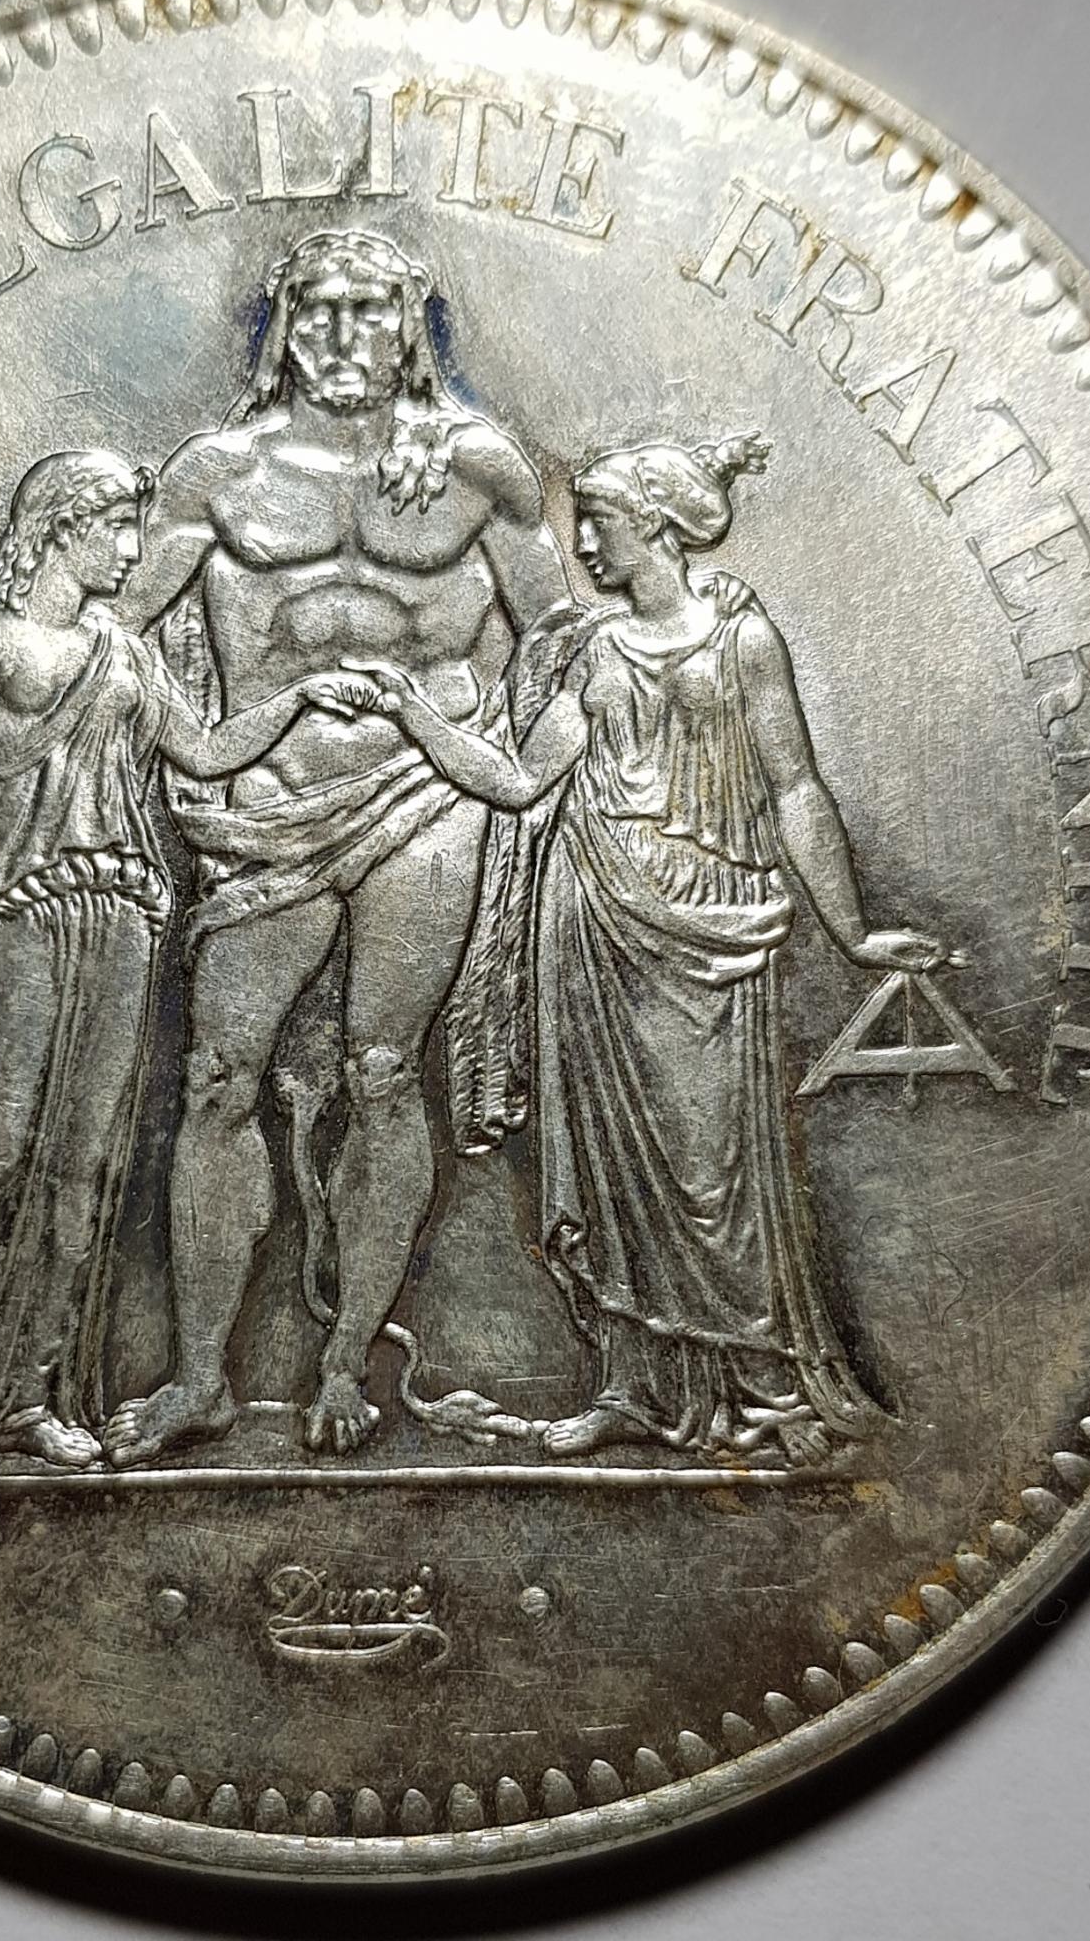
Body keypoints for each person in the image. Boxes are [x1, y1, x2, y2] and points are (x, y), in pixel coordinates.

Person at [358, 435, 945, 1465]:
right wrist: (412, 715)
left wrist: (851, 930)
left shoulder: (742, 639)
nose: (582, 542)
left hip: (711, 923)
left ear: (658, 525)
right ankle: (631, 1384)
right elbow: (516, 781)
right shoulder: (594, 652)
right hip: (591, 919)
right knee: (606, 1166)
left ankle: (763, 1384)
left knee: (715, 1170)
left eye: (598, 523)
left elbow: (794, 788)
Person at [100, 228, 572, 1465]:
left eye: (369, 310)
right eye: (318, 309)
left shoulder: (479, 469)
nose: (343, 334)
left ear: (408, 325)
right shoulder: (217, 472)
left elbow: (558, 637)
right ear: (282, 327)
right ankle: (198, 1376)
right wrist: (192, 741)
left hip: (426, 792)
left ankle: (346, 1360)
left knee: (381, 1068)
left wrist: (514, 763)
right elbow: (118, 629)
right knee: (218, 1074)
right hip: (265, 795)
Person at [0, 440, 374, 1470]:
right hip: (19, 917)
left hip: (118, 918)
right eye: (116, 528)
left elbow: (203, 750)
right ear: (59, 528)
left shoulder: (124, 652)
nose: (129, 550)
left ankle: (22, 1396)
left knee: (83, 1168)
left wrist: (302, 696)